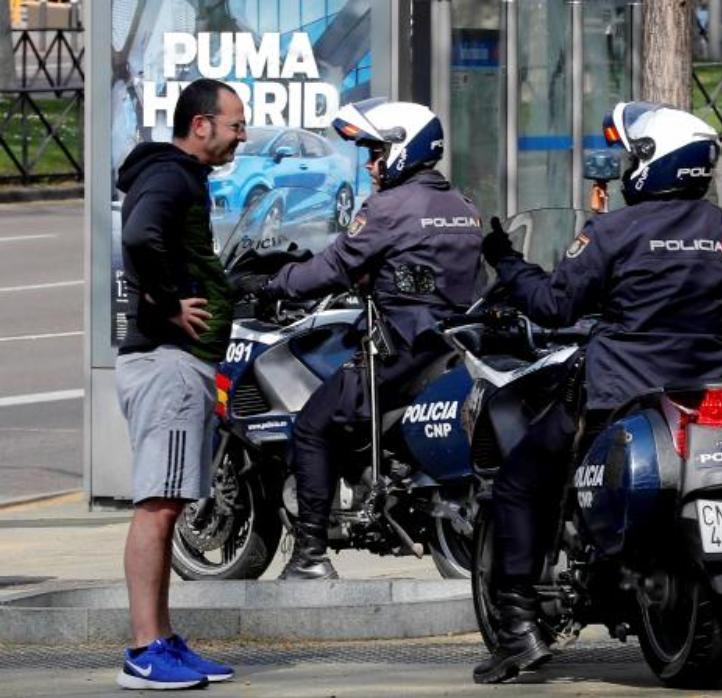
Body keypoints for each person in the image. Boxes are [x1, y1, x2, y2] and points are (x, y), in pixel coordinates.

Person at [472, 102, 722, 684]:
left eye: (635, 155)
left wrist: (507, 262)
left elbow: (556, 305)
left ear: (655, 162)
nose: (628, 165)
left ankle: (519, 625)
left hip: (622, 390)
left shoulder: (614, 230)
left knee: (521, 482)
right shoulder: (721, 228)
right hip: (711, 387)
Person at [234, 99, 484, 580]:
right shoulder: (463, 205)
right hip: (448, 348)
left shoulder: (388, 208)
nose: (369, 164)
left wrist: (273, 285)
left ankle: (309, 556)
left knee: (311, 426)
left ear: (401, 150)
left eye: (375, 151)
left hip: (396, 353)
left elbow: (333, 266)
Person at [114, 77, 243, 690]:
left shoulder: (178, 176)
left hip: (180, 363)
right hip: (167, 361)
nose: (241, 135)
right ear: (201, 125)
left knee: (168, 505)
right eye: (234, 124)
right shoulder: (169, 176)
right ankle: (143, 650)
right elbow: (139, 235)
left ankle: (161, 638)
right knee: (158, 506)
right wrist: (168, 302)